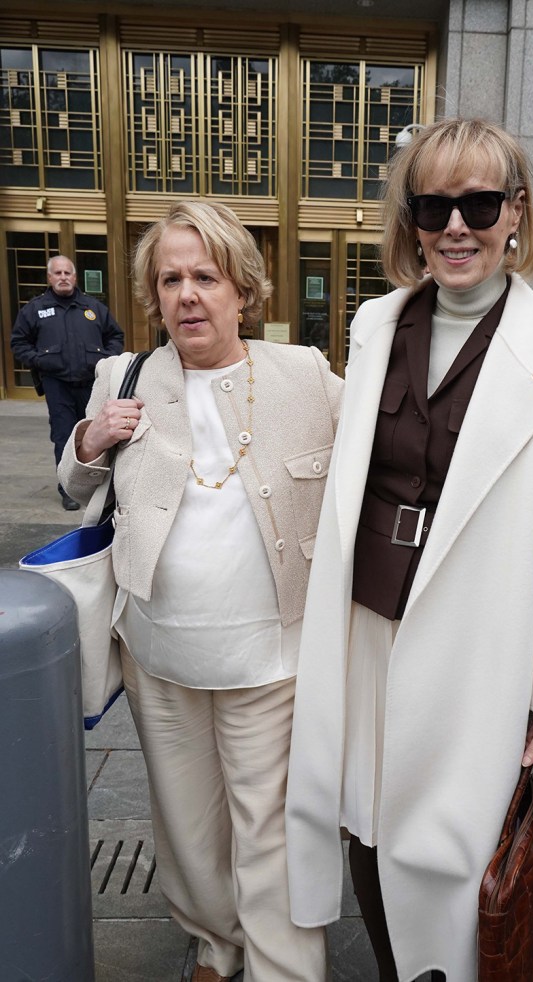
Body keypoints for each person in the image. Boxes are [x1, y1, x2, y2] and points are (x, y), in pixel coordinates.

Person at [285, 117, 533, 982]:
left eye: (478, 202)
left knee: (454, 844)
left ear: (516, 214)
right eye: (433, 204)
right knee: (363, 815)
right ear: (411, 221)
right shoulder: (375, 324)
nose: (455, 225)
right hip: (365, 623)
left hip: (476, 646)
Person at [58, 200, 343, 982]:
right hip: (158, 647)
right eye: (171, 278)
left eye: (206, 277)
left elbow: (388, 457)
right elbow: (70, 480)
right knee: (187, 824)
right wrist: (90, 440)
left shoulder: (304, 374)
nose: (188, 294)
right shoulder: (125, 375)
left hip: (271, 655)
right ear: (155, 295)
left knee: (269, 829)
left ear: (242, 291)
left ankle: (283, 967)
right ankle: (215, 945)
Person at [11, 255, 124, 510]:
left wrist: (106, 360)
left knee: (98, 431)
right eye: (58, 273)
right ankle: (69, 489)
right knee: (64, 436)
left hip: (91, 384)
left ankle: (99, 482)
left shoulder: (93, 308)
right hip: (57, 384)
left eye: (67, 273)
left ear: (75, 277)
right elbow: (18, 343)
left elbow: (115, 335)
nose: (63, 277)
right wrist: (40, 361)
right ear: (49, 278)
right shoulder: (35, 309)